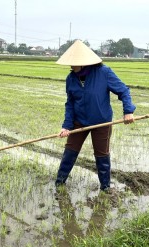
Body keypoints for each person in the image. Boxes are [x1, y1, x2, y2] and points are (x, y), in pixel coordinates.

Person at [54, 39, 136, 191]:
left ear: (84, 62)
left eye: (74, 62)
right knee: (69, 152)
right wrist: (66, 126)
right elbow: (70, 104)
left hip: (101, 123)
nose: (70, 65)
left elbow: (123, 91)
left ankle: (105, 187)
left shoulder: (104, 73)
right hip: (79, 122)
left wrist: (128, 111)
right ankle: (59, 183)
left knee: (101, 155)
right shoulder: (71, 79)